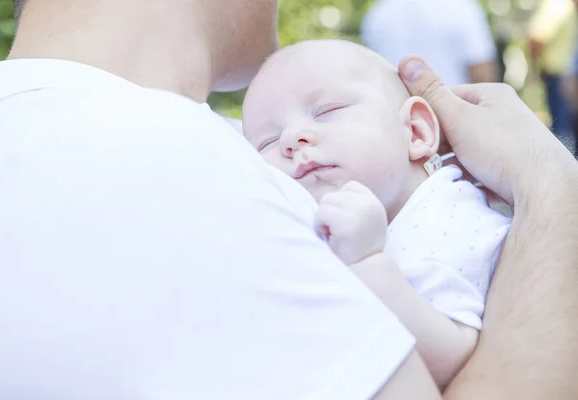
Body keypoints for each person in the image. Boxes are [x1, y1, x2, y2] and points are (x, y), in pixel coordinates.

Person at [0, 0, 575, 398]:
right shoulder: (178, 169)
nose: (292, 142)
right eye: (271, 137)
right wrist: (552, 182)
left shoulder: (21, 132)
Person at [242, 39, 511, 389]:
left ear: (415, 131)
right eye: (267, 143)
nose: (291, 139)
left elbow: (452, 359)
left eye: (325, 110)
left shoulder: (444, 216)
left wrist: (368, 262)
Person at [360, 0, 499, 86]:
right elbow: (484, 76)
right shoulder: (463, 7)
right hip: (454, 121)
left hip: (396, 122)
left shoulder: (377, 13)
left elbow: (369, 73)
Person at [528, 0, 577, 141]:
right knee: (562, 128)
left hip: (564, 75)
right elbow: (536, 39)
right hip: (557, 75)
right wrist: (535, 64)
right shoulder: (558, 5)